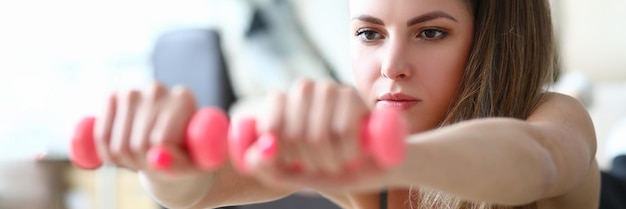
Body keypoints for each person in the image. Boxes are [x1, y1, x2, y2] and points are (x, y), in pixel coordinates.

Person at [90, 0, 600, 209]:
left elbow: (538, 160)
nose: (391, 65)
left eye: (431, 32)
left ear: (491, 42)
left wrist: (388, 156)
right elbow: (199, 190)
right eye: (369, 34)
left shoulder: (555, 115)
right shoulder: (364, 160)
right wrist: (164, 163)